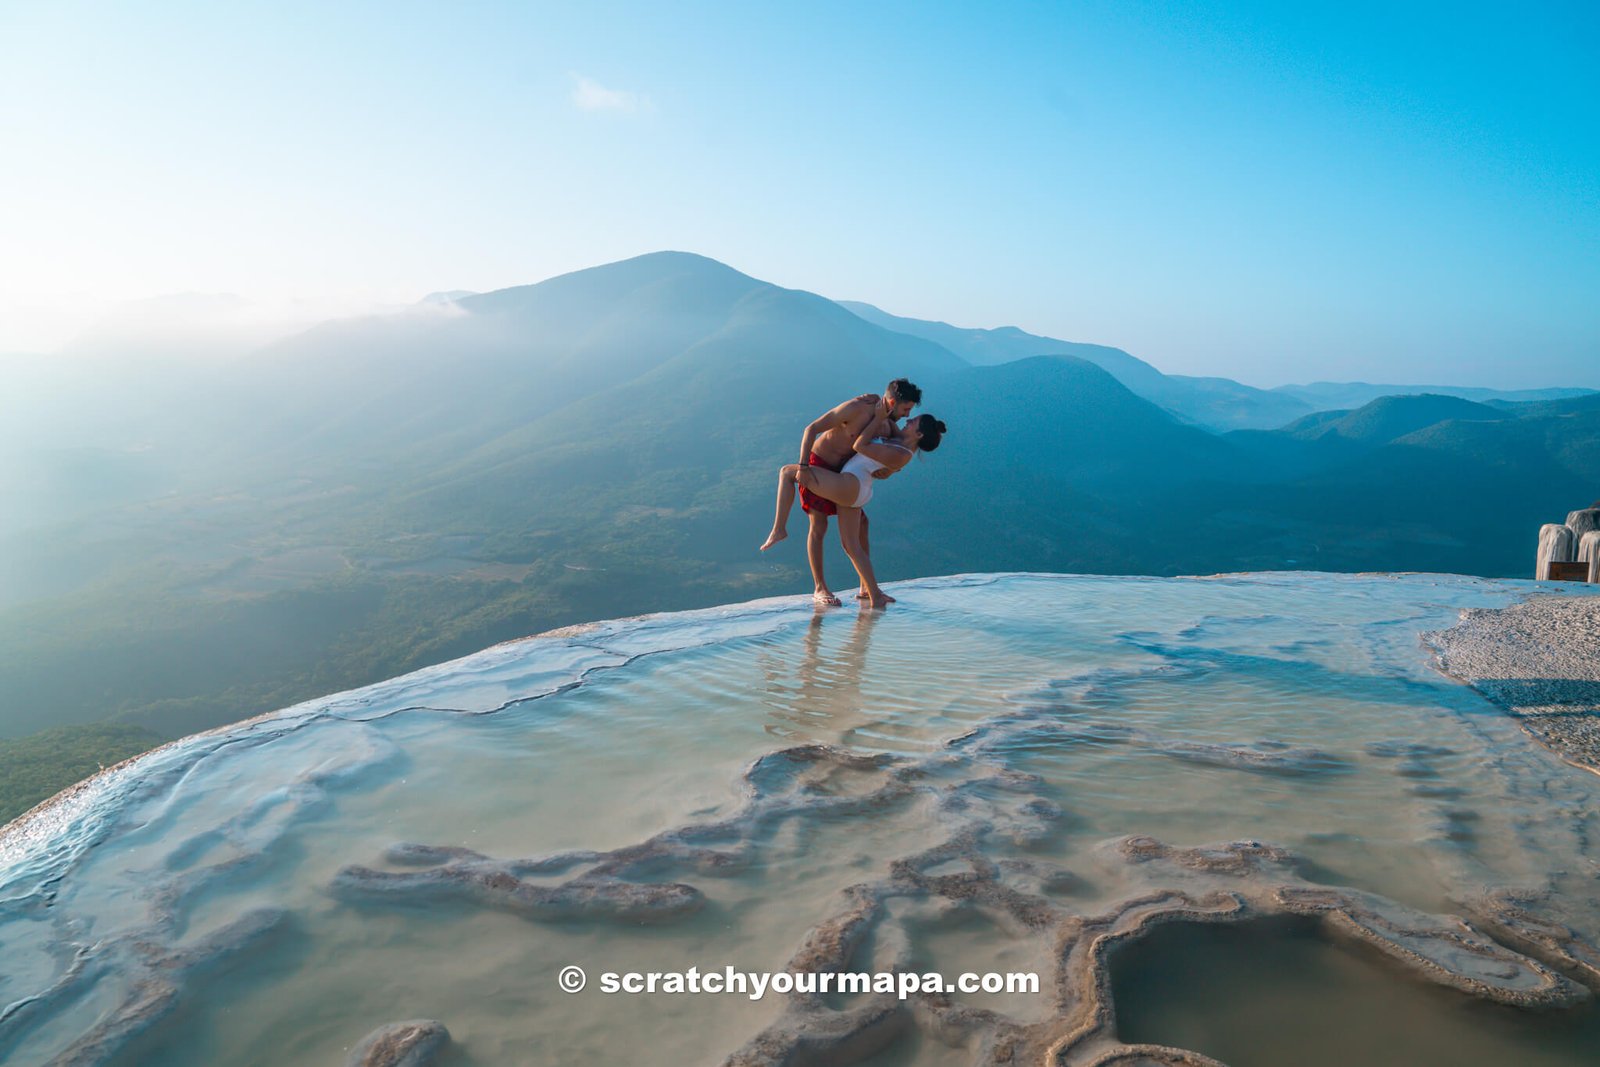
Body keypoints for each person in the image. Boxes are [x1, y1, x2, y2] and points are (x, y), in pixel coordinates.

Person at [761, 411, 946, 608]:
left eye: (913, 422)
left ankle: (779, 529)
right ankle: (872, 594)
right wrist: (881, 410)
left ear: (918, 435)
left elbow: (860, 445)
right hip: (857, 488)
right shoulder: (900, 442)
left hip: (851, 485)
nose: (907, 420)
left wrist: (876, 418)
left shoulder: (901, 453)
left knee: (788, 472)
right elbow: (889, 418)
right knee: (851, 545)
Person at [779, 379, 922, 606]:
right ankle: (820, 588)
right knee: (819, 526)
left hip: (844, 476)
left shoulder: (886, 423)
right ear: (893, 402)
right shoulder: (858, 408)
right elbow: (812, 429)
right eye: (906, 409)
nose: (906, 416)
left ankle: (867, 588)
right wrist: (804, 466)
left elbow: (898, 449)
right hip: (820, 464)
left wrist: (889, 471)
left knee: (862, 525)